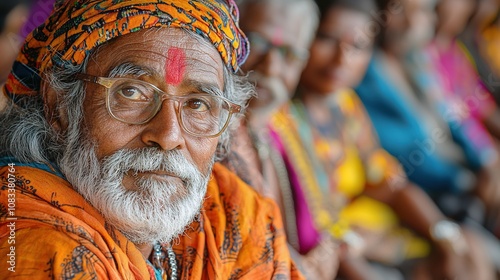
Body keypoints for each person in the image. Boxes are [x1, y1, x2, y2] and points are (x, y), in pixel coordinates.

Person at [0, 0, 303, 279]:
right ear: (61, 107)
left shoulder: (232, 214)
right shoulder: (39, 248)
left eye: (197, 103)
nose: (168, 136)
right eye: (131, 92)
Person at [281, 0, 495, 279]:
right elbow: (318, 235)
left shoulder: (347, 107)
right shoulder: (283, 122)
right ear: (302, 40)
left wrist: (445, 237)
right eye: (326, 39)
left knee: (469, 251)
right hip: (344, 259)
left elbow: (390, 184)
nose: (342, 58)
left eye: (357, 47)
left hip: (384, 239)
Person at [224, 0, 339, 279]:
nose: (271, 67)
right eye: (257, 43)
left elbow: (325, 221)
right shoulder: (205, 131)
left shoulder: (284, 124)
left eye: (288, 55)